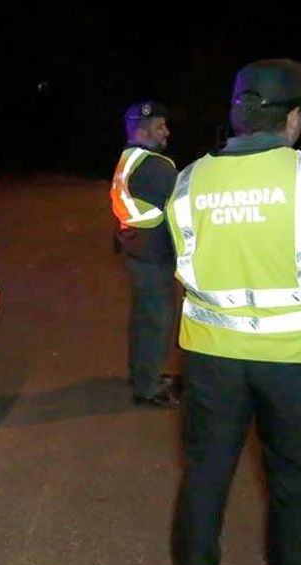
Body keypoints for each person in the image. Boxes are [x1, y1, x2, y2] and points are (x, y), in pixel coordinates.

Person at [166, 59, 301, 565]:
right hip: (299, 364)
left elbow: (181, 257)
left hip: (212, 358)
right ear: (294, 116)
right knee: (296, 486)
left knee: (205, 475)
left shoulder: (188, 180)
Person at [109, 101, 181, 408]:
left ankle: (141, 373)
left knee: (144, 319)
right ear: (142, 131)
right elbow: (184, 203)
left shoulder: (129, 158)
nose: (167, 132)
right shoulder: (154, 166)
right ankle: (149, 388)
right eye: (160, 127)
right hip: (154, 257)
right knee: (157, 322)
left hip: (137, 252)